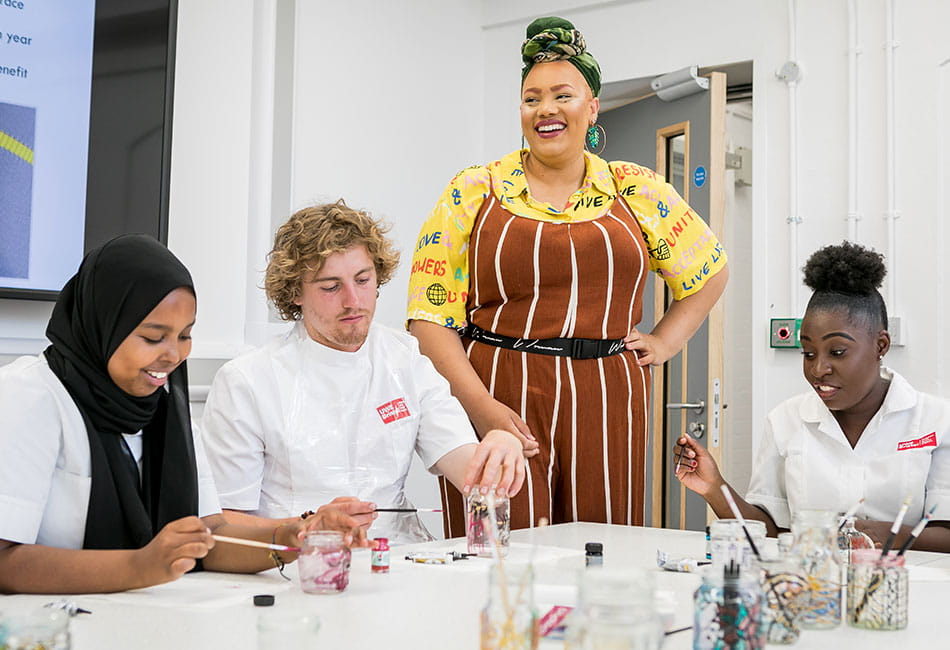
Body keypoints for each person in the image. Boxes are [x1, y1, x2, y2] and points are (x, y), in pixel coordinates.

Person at [407, 16, 728, 534]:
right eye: (532, 99)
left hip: (610, 396)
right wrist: (483, 408)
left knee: (603, 547)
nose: (546, 110)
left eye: (563, 95)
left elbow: (709, 270)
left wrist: (667, 341)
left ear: (592, 107)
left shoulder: (636, 188)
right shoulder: (473, 190)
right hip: (499, 390)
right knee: (500, 549)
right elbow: (428, 319)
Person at [0, 235, 366, 595]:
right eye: (153, 337)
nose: (173, 355)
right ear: (103, 326)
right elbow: (4, 560)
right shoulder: (30, 395)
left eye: (185, 335)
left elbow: (210, 538)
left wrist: (293, 535)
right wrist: (139, 566)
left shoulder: (165, 407)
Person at [201, 201, 525, 544]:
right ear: (296, 291)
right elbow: (222, 522)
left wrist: (497, 453)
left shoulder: (405, 358)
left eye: (363, 280)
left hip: (399, 558)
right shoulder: (247, 381)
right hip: (298, 566)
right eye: (330, 286)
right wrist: (308, 525)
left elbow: (467, 467)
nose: (353, 300)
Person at [675, 242, 950, 552]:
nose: (818, 369)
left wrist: (867, 532)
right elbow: (770, 530)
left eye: (837, 352)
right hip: (812, 586)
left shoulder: (936, 421)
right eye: (808, 353)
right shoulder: (785, 420)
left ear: (881, 345)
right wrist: (715, 487)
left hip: (909, 588)